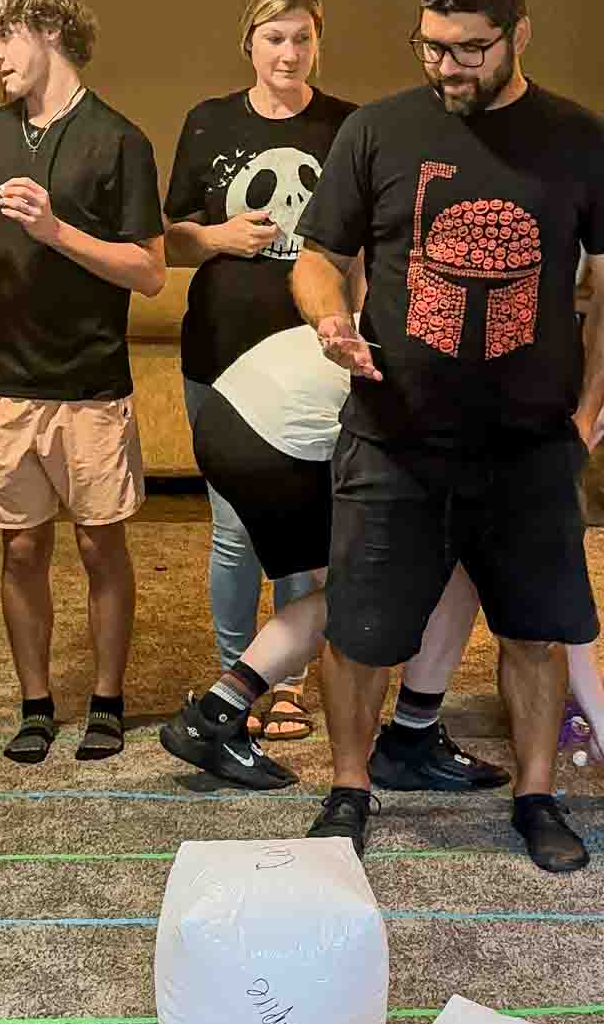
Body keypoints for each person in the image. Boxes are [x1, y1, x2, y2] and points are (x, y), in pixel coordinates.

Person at [291, 0, 604, 869]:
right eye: (432, 46)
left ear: (519, 34)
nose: (448, 67)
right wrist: (332, 319)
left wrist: (582, 417)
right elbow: (318, 257)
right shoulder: (376, 130)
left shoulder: (582, 141)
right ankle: (349, 788)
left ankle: (536, 796)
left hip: (529, 442)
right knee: (361, 632)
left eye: (471, 49)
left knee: (535, 631)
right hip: (394, 435)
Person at [0, 0, 165, 764]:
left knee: (101, 547)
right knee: (18, 549)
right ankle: (35, 702)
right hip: (1, 378)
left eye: (3, 37)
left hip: (89, 383)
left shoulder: (120, 139)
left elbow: (149, 271)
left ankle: (107, 699)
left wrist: (59, 230)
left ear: (46, 28)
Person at [158, 317, 509, 793]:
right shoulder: (487, 367)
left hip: (232, 416)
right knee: (427, 584)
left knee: (352, 596)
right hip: (277, 435)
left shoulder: (441, 314)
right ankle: (412, 740)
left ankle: (216, 714)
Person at [163, 0, 355, 741]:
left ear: (318, 39)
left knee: (303, 531)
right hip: (219, 354)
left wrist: (355, 328)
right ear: (249, 40)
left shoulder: (347, 126)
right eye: (274, 37)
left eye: (302, 37)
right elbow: (165, 239)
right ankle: (234, 675)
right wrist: (218, 236)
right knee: (234, 528)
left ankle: (284, 683)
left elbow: (366, 245)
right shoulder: (208, 122)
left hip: (312, 363)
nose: (289, 53)